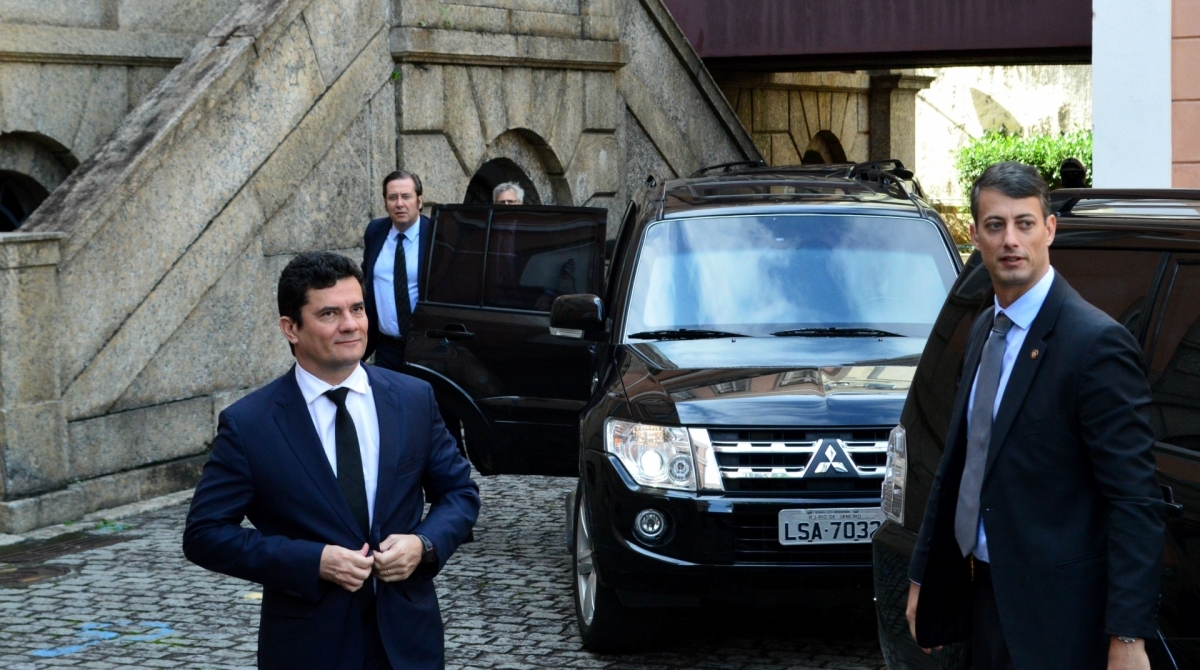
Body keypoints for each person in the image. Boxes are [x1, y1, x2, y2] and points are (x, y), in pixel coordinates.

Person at [905, 162, 1165, 670]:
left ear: (1050, 229)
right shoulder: (984, 330)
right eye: (996, 225)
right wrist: (922, 578)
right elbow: (960, 464)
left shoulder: (1094, 345)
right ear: (975, 235)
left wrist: (1128, 638)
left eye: (1025, 223)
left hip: (1058, 621)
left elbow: (1135, 501)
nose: (1011, 240)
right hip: (980, 598)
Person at [183, 252, 480, 670]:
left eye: (357, 308)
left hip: (408, 640)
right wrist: (313, 561)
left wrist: (423, 544)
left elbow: (459, 493)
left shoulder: (413, 399)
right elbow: (204, 534)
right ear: (291, 328)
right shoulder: (250, 424)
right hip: (309, 645)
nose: (351, 325)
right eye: (329, 313)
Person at [362, 170, 429, 370]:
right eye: (393, 197)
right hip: (385, 348)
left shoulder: (436, 234)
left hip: (426, 349)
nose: (399, 203)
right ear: (385, 202)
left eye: (406, 196)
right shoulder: (375, 231)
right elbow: (366, 281)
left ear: (419, 201)